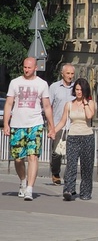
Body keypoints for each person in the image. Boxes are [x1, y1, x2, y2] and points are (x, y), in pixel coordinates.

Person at [3, 56, 57, 200]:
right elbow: (8, 104)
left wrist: (51, 127)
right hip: (17, 125)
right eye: (25, 67)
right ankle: (22, 181)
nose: (26, 70)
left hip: (35, 124)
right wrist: (6, 124)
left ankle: (30, 189)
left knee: (33, 156)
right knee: (18, 158)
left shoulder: (42, 84)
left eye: (29, 67)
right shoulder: (15, 83)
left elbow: (46, 106)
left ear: (35, 68)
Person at [56, 79, 96, 201]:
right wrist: (53, 130)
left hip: (87, 136)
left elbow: (89, 116)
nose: (79, 92)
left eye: (81, 90)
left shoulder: (91, 103)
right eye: (77, 89)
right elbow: (63, 121)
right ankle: (69, 190)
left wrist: (85, 102)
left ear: (85, 91)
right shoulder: (69, 104)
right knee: (71, 165)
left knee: (87, 166)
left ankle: (85, 192)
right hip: (73, 137)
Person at [47, 62, 77, 186]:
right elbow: (48, 106)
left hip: (73, 126)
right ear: (62, 74)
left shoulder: (77, 88)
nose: (70, 76)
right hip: (58, 125)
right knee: (56, 153)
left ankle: (69, 177)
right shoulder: (54, 87)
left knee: (71, 154)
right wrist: (50, 126)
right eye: (68, 73)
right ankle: (55, 173)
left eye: (72, 74)